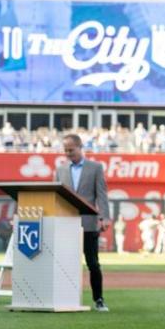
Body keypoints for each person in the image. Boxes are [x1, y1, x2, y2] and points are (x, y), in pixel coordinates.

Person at [56, 134, 111, 312]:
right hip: (65, 223)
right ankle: (64, 299)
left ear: (80, 147)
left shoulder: (95, 168)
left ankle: (99, 299)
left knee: (93, 263)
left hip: (88, 223)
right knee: (63, 263)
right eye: (65, 150)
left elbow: (101, 194)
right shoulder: (61, 170)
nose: (67, 153)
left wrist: (104, 217)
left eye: (71, 150)